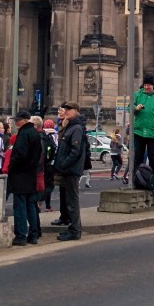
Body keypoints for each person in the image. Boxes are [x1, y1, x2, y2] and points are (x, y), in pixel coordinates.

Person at [52, 101, 86, 241]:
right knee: (69, 200)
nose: (65, 111)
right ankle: (73, 228)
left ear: (76, 111)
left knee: (72, 201)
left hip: (71, 170)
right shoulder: (70, 126)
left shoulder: (76, 128)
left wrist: (63, 165)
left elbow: (75, 151)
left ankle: (75, 230)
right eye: (64, 109)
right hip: (68, 169)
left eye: (68, 109)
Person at [8, 110, 42, 247]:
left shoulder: (24, 133)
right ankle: (33, 234)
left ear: (25, 120)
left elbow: (20, 154)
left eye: (18, 120)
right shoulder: (35, 133)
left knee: (20, 206)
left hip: (20, 174)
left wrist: (11, 166)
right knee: (31, 206)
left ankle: (21, 235)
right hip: (31, 173)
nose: (15, 123)